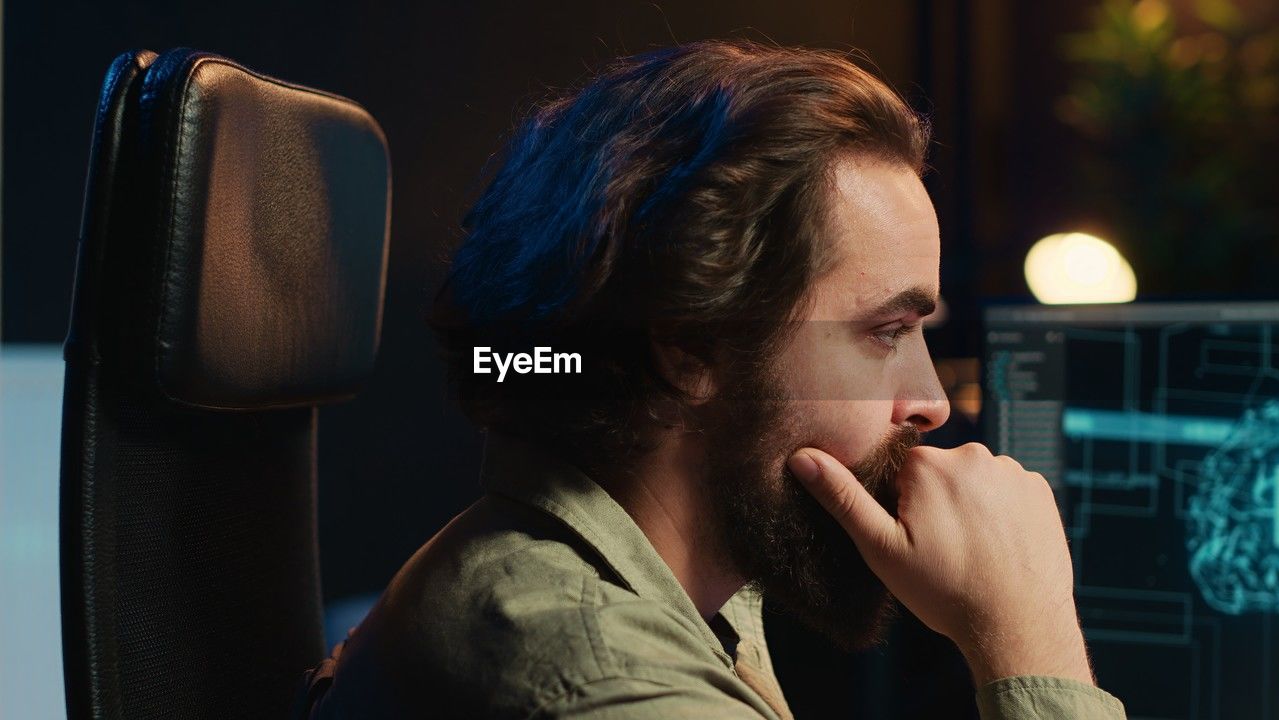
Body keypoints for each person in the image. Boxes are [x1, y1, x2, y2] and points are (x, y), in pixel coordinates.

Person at [296, 39, 1127, 719]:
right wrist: (1031, 639)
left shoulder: (670, 590)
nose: (933, 403)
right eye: (887, 331)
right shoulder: (604, 687)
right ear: (689, 351)